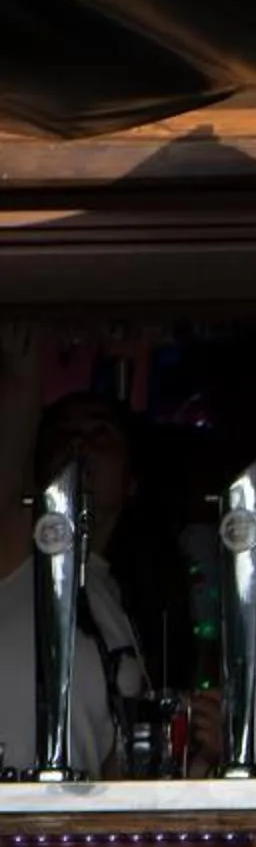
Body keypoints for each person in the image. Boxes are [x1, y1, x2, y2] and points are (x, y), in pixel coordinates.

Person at [0, 333, 152, 777]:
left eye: (98, 433)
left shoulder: (114, 605)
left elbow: (114, 776)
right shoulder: (18, 548)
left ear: (130, 481)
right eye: (64, 434)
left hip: (58, 839)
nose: (79, 445)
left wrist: (200, 761)